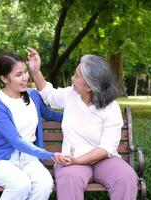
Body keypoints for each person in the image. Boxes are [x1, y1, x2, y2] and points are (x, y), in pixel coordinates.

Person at [28, 48, 138, 200]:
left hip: (103, 160)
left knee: (126, 177)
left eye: (77, 76)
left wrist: (78, 160)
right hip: (72, 162)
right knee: (69, 178)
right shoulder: (70, 95)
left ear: (90, 86)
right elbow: (49, 95)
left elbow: (106, 148)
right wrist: (35, 71)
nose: (72, 78)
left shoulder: (111, 107)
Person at [0, 52, 66, 200]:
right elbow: (16, 141)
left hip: (30, 158)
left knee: (45, 184)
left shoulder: (33, 95)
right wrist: (51, 155)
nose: (25, 78)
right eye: (18, 74)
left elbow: (50, 115)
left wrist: (81, 116)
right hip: (3, 161)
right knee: (21, 184)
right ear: (4, 78)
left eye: (25, 72)